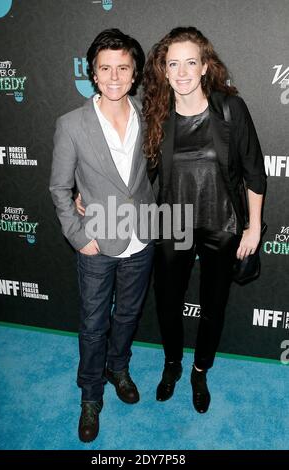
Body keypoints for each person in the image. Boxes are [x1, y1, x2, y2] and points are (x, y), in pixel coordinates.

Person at [142, 26, 266, 413]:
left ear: (205, 66)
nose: (181, 72)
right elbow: (135, 174)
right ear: (163, 69)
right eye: (172, 63)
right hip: (173, 220)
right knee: (167, 303)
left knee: (214, 305)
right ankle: (173, 364)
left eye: (190, 62)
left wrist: (254, 226)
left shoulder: (231, 109)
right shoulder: (156, 114)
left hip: (221, 220)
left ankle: (199, 371)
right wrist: (86, 196)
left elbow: (254, 171)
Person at [50, 29, 155, 442]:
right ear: (93, 74)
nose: (114, 77)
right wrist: (78, 235)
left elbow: (147, 178)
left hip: (142, 237)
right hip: (95, 241)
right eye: (105, 68)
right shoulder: (71, 124)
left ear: (134, 74)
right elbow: (60, 188)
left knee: (128, 316)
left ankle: (119, 368)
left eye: (123, 68)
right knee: (94, 323)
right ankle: (91, 395)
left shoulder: (150, 115)